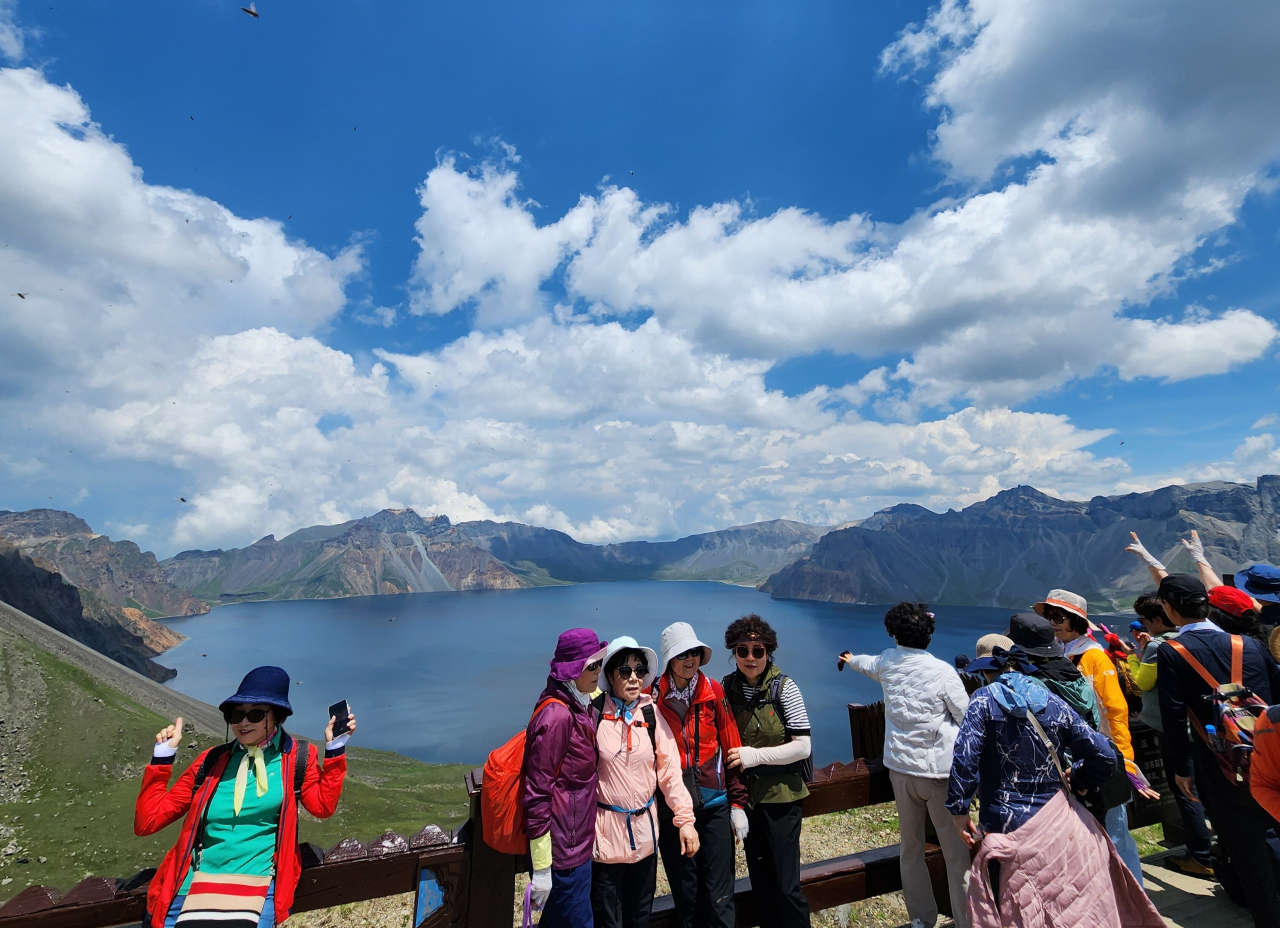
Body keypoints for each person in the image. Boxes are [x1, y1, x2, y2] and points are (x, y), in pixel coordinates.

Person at [947, 653, 1161, 927]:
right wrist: (1079, 778)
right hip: (1061, 823)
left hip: (1005, 827)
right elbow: (1106, 756)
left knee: (1020, 908)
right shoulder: (1051, 700)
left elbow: (964, 758)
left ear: (990, 672)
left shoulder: (982, 701)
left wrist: (958, 809)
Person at [134, 666, 353, 928]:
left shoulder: (298, 757)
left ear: (277, 717)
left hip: (259, 887)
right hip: (191, 887)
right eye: (236, 714)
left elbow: (322, 806)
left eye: (256, 714)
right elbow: (147, 822)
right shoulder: (211, 761)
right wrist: (161, 759)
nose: (243, 722)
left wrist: (335, 750)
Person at [1157, 573, 1280, 927]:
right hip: (1270, 751)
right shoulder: (1249, 644)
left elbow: (1174, 715)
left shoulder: (1172, 651)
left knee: (1246, 847)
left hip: (1223, 762)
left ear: (1167, 608)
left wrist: (1181, 771)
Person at [839, 603, 970, 928]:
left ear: (894, 633)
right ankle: (968, 921)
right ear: (928, 636)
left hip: (901, 773)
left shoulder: (887, 662)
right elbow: (966, 717)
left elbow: (865, 664)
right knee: (956, 854)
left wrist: (847, 659)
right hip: (939, 775)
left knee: (910, 850)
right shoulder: (942, 671)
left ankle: (921, 920)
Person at [1035, 587, 1147, 885]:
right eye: (1049, 616)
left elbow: (1115, 709)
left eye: (1059, 616)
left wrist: (1124, 758)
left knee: (1116, 830)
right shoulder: (1060, 653)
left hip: (1103, 755)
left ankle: (1133, 894)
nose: (1053, 622)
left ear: (1076, 620)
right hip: (1075, 760)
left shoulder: (1094, 657)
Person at [592, 637, 699, 928]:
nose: (634, 678)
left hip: (645, 839)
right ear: (611, 675)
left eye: (639, 671)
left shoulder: (650, 715)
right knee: (607, 921)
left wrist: (685, 820)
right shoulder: (595, 716)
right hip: (604, 843)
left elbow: (670, 773)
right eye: (625, 672)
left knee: (640, 919)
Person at [651, 622, 747, 928]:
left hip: (714, 805)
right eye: (682, 654)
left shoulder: (713, 691)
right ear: (669, 661)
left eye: (694, 652)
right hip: (674, 813)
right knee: (686, 896)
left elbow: (732, 748)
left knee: (720, 895)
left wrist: (738, 804)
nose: (690, 659)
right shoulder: (652, 696)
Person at [721, 614, 813, 928]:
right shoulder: (727, 688)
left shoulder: (784, 689)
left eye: (757, 650)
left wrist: (755, 756)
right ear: (733, 652)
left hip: (782, 800)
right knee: (760, 882)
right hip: (748, 801)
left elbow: (803, 746)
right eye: (742, 650)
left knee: (786, 885)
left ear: (769, 652)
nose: (750, 657)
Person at [1126, 592, 1215, 877]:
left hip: (1173, 729)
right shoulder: (1191, 641)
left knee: (1185, 790)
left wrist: (1133, 658)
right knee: (1206, 787)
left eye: (1144, 620)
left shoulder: (1157, 647)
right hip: (1204, 728)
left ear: (1156, 619)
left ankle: (1201, 855)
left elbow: (1143, 682)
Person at [525, 628, 608, 928]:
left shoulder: (579, 700)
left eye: (600, 662)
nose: (599, 670)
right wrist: (543, 867)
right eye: (592, 665)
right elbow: (537, 793)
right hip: (564, 855)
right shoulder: (558, 716)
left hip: (576, 846)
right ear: (573, 671)